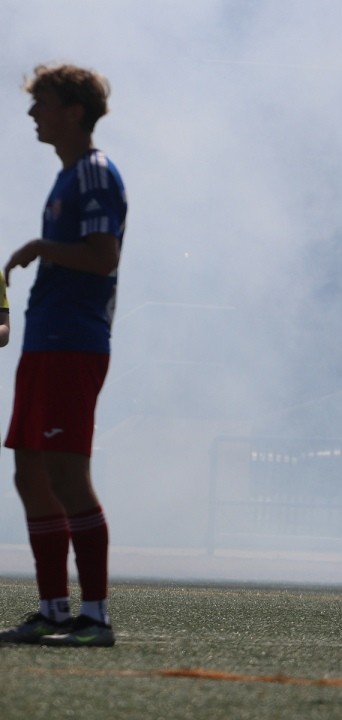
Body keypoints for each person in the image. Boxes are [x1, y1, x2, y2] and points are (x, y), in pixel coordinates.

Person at [0, 64, 126, 647]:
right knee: (30, 471)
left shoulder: (96, 174)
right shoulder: (67, 177)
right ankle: (53, 609)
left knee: (66, 473)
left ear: (74, 111)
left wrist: (37, 247)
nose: (32, 114)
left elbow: (102, 257)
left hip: (72, 343)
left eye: (42, 102)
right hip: (44, 341)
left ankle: (95, 616)